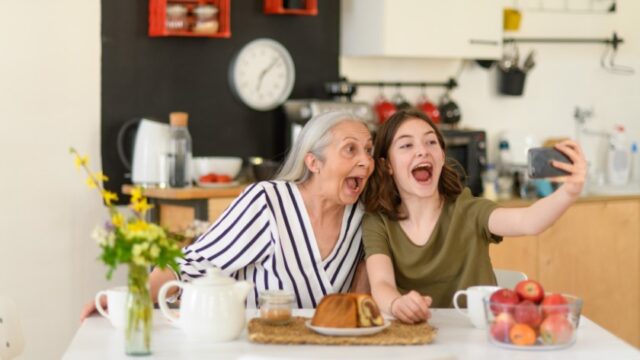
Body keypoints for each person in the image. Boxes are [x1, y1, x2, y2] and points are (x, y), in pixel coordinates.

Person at [81, 111, 374, 320]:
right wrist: (131, 298)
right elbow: (193, 262)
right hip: (255, 348)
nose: (365, 161)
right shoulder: (267, 202)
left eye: (369, 151)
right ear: (313, 161)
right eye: (350, 149)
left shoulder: (362, 219)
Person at [362, 109, 586, 324]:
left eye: (431, 142)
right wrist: (396, 304)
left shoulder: (469, 209)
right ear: (387, 165)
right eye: (406, 145)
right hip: (413, 338)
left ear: (441, 155)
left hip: (480, 337)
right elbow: (381, 283)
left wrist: (569, 192)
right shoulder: (378, 221)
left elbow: (527, 222)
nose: (422, 151)